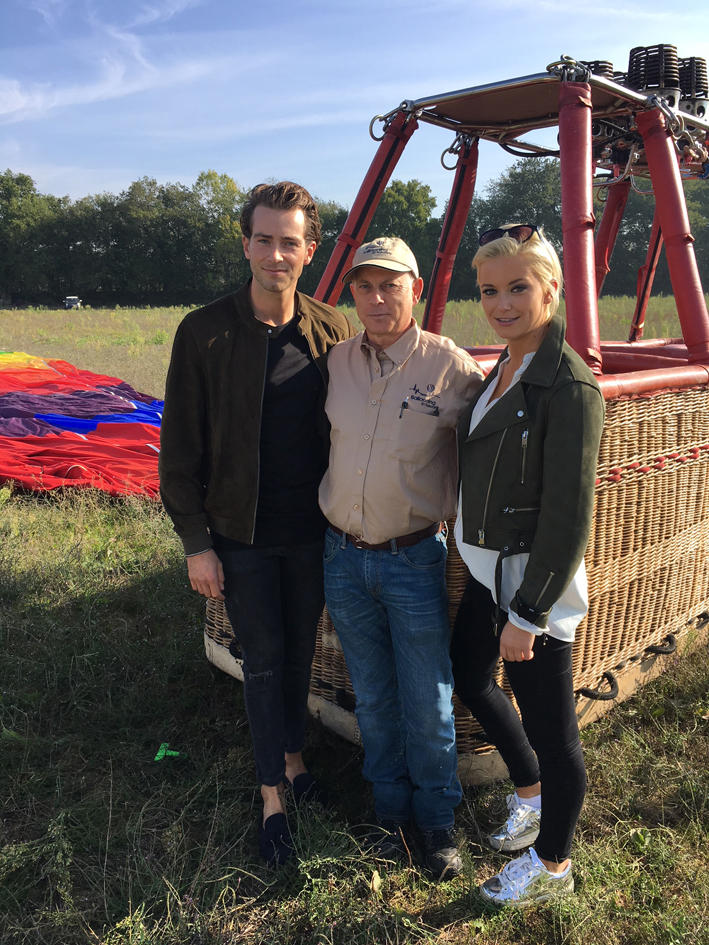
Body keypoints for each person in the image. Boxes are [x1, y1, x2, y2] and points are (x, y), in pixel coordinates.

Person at [159, 181, 355, 866]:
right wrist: (196, 544)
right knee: (265, 660)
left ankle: (295, 763)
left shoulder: (332, 330)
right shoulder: (204, 331)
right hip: (239, 534)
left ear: (310, 250)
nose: (276, 254)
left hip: (312, 532)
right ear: (246, 245)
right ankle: (271, 794)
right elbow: (178, 451)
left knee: (299, 654)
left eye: (288, 242)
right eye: (264, 240)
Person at [449, 224, 605, 906]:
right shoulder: (508, 365)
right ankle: (531, 791)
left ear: (551, 288)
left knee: (553, 730)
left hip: (527, 583)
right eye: (489, 291)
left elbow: (568, 516)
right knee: (468, 673)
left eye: (517, 287)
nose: (502, 303)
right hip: (489, 574)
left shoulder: (568, 387)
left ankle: (552, 865)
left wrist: (529, 613)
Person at [319, 237, 483, 880]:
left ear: (416, 288)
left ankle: (437, 820)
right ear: (353, 294)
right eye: (364, 286)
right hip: (341, 556)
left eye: (391, 285)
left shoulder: (452, 369)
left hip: (412, 558)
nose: (377, 298)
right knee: (373, 696)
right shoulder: (336, 362)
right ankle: (388, 812)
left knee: (429, 700)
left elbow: (489, 451)